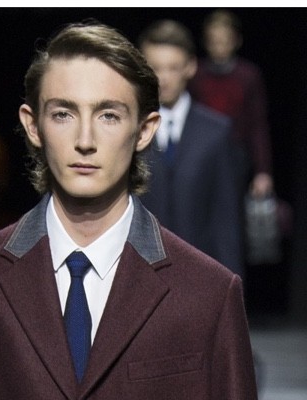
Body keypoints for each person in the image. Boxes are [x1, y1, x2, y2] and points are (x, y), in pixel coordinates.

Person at [0, 21, 257, 399]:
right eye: (63, 114)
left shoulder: (209, 295)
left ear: (144, 130)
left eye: (109, 115)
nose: (85, 140)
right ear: (33, 126)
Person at [137, 19, 243, 277]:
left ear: (191, 67)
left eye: (173, 67)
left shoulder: (216, 132)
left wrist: (232, 287)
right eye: (155, 67)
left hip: (199, 275)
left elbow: (226, 220)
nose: (163, 78)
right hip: (139, 274)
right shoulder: (129, 130)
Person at [189, 10, 273, 199]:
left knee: (230, 204)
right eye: (214, 41)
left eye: (224, 41)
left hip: (235, 155)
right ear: (206, 42)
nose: (219, 47)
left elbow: (257, 125)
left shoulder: (248, 76)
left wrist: (262, 171)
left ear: (236, 41)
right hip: (201, 154)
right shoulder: (195, 74)